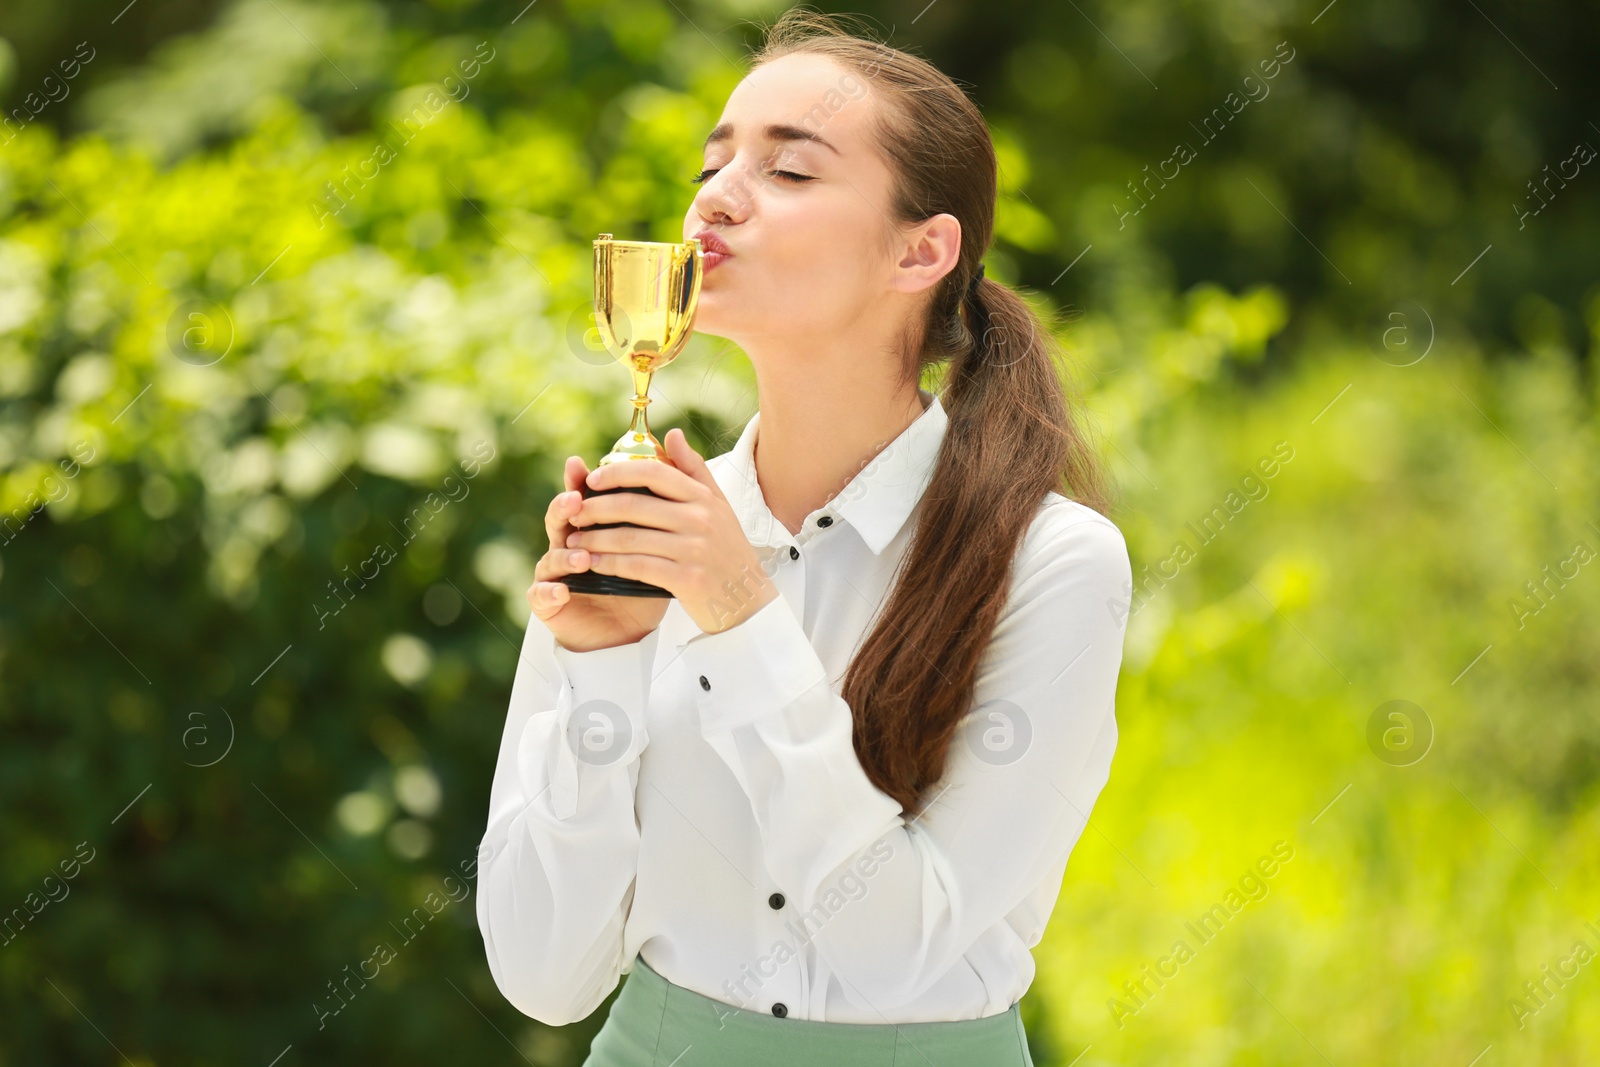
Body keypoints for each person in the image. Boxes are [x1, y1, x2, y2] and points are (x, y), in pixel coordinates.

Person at [475, 9, 1133, 1065]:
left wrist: (740, 617)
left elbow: (895, 954)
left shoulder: (1053, 563)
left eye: (789, 172)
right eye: (713, 160)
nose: (714, 196)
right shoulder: (645, 529)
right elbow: (543, 975)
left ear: (922, 251)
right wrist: (595, 668)